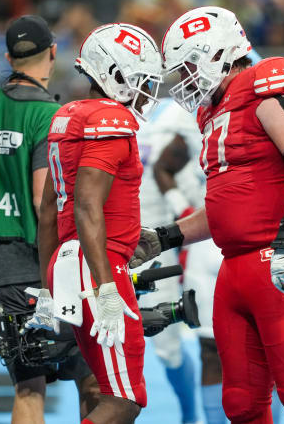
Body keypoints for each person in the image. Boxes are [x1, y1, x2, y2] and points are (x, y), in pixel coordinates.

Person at [131, 6, 284, 424]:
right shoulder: (214, 110)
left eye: (189, 66)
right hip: (235, 264)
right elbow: (227, 208)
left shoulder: (265, 83)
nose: (185, 80)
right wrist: (164, 237)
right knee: (241, 402)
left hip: (282, 256)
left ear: (218, 53)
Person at [0, 15, 98, 423]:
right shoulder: (50, 114)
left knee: (28, 386)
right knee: (88, 377)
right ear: (53, 52)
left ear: (7, 57)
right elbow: (44, 201)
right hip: (44, 262)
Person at [29, 22, 163, 424]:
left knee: (105, 389)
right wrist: (106, 286)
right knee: (125, 399)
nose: (145, 90)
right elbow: (87, 205)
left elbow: (50, 209)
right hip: (97, 266)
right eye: (138, 79)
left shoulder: (70, 115)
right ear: (113, 74)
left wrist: (49, 286)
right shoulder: (109, 121)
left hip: (70, 263)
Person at [133, 100, 199, 424]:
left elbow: (182, 170)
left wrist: (183, 217)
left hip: (155, 243)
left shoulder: (175, 114)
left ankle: (190, 416)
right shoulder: (100, 112)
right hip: (105, 242)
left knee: (167, 346)